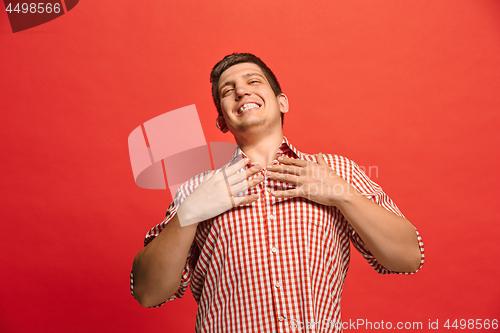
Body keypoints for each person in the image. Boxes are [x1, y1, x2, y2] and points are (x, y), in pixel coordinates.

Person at [130, 53, 424, 332]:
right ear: (222, 120)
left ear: (282, 102)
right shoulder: (197, 189)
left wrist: (341, 194)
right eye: (227, 90)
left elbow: (408, 257)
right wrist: (190, 212)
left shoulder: (335, 171)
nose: (242, 91)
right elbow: (147, 292)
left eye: (253, 81)